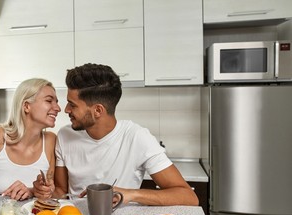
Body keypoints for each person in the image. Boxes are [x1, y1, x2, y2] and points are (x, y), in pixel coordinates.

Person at [33, 63, 199, 206]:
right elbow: (61, 191)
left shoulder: (137, 137)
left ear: (98, 110)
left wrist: (132, 194)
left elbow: (188, 196)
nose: (66, 110)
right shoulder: (65, 135)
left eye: (72, 105)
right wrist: (44, 191)